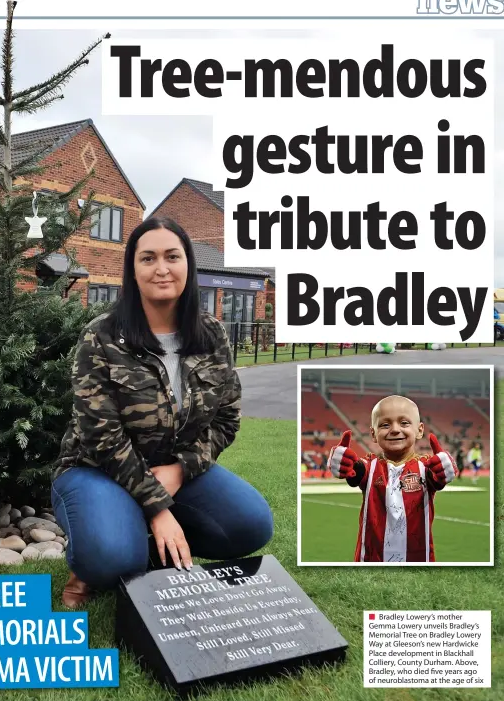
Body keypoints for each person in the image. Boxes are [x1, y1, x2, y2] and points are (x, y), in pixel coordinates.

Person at [51, 217, 274, 607]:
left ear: (188, 263)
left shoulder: (213, 335)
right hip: (96, 469)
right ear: (132, 270)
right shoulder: (102, 336)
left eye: (173, 256)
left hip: (177, 470)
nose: (162, 268)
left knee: (251, 525)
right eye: (148, 258)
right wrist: (156, 507)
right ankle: (93, 558)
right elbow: (101, 436)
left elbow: (226, 420)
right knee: (112, 557)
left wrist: (181, 469)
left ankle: (146, 544)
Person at [327, 395, 457, 563]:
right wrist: (341, 462)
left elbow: (439, 477)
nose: (395, 429)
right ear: (373, 434)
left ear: (419, 430)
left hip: (417, 562)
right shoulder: (370, 466)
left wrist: (446, 468)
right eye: (385, 424)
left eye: (404, 423)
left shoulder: (426, 467)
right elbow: (355, 470)